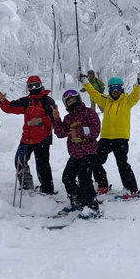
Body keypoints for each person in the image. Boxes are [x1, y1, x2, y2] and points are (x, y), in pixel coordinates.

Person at [82, 72, 140, 198]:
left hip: (120, 138)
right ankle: (102, 185)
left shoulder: (127, 100)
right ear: (109, 90)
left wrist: (139, 84)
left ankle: (131, 190)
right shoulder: (106, 101)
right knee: (95, 159)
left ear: (122, 89)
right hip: (106, 137)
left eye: (118, 88)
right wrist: (86, 82)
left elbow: (135, 95)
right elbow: (94, 94)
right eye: (113, 89)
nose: (115, 91)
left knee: (122, 164)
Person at [0, 75, 56, 195]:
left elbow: (54, 118)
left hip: (43, 138)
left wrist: (40, 120)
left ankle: (47, 189)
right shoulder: (26, 101)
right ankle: (26, 186)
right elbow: (11, 108)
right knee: (19, 161)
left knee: (42, 164)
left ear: (41, 85)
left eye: (36, 86)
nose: (34, 88)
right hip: (27, 138)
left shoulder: (48, 101)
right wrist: (3, 101)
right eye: (31, 86)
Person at [51, 89, 102, 218]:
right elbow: (61, 133)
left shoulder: (90, 113)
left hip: (89, 152)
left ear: (79, 100)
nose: (72, 103)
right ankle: (78, 201)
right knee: (67, 178)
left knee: (84, 178)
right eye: (69, 102)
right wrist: (56, 119)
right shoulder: (68, 118)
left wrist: (78, 132)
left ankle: (92, 207)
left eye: (74, 100)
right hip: (75, 154)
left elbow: (95, 130)